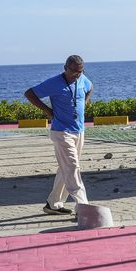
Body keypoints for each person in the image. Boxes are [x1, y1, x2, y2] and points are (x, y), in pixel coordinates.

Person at [24, 54, 93, 216]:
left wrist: (86, 101)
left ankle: (53, 204)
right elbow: (29, 94)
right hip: (62, 132)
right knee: (73, 166)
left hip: (79, 131)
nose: (77, 75)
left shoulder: (83, 79)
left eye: (80, 71)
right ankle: (83, 207)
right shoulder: (54, 83)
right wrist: (48, 111)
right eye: (74, 71)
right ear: (65, 68)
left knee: (65, 168)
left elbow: (90, 87)